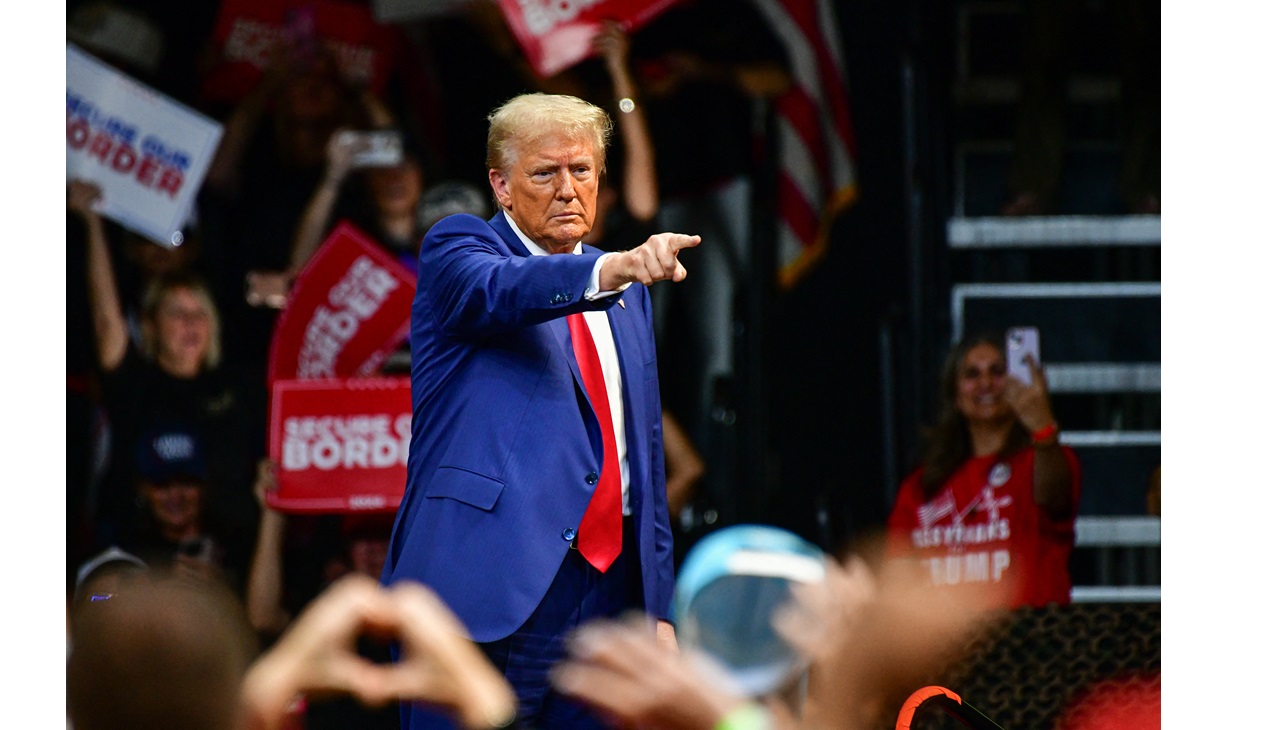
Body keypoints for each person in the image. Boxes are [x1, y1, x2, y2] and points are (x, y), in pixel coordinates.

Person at [381, 91, 701, 730]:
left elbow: (641, 460)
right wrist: (609, 271)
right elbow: (499, 292)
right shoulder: (460, 249)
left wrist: (658, 608)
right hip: (486, 589)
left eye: (581, 171)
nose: (567, 190)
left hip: (612, 598)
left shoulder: (627, 291)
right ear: (501, 185)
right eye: (544, 173)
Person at [69, 179, 260, 564]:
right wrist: (90, 221)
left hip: (224, 566)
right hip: (134, 567)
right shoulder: (135, 384)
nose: (190, 324)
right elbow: (107, 321)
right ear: (151, 326)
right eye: (176, 313)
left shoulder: (238, 387)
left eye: (199, 313)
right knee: (100, 602)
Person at [885, 332, 1081, 609]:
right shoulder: (919, 486)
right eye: (972, 375)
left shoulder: (1045, 460)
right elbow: (899, 577)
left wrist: (1043, 427)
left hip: (1029, 642)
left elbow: (1055, 496)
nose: (986, 383)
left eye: (998, 372)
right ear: (954, 395)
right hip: (946, 646)